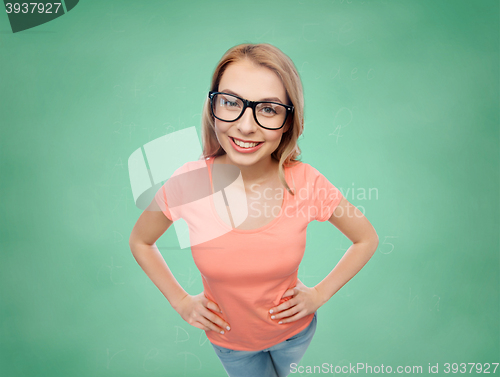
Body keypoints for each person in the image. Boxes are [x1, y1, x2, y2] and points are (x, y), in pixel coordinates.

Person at [129, 43, 379, 377]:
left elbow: (366, 239)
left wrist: (318, 294)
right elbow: (140, 241)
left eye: (269, 109)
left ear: (289, 121)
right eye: (231, 102)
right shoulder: (188, 183)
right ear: (213, 105)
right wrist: (181, 301)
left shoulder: (307, 182)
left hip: (295, 334)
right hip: (230, 343)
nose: (246, 127)